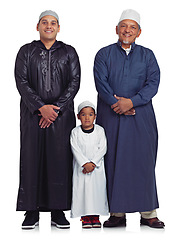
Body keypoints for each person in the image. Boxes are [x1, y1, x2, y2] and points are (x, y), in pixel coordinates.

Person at [93, 9, 164, 228]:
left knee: (143, 161)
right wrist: (118, 104)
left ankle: (148, 213)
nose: (127, 30)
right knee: (113, 160)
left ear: (139, 32)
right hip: (111, 116)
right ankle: (117, 212)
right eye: (124, 26)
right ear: (116, 29)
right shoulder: (104, 54)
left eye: (132, 27)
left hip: (140, 117)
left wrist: (131, 102)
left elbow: (153, 83)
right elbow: (101, 82)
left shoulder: (148, 55)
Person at [15, 10, 80, 229]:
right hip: (32, 115)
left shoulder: (69, 52)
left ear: (59, 28)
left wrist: (56, 109)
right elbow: (22, 82)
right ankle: (31, 211)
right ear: (38, 26)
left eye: (53, 23)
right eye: (45, 22)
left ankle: (57, 210)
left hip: (61, 119)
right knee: (31, 159)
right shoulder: (26, 51)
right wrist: (40, 108)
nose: (49, 26)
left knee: (59, 160)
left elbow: (74, 82)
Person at [70, 101, 109, 228]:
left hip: (96, 168)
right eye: (83, 115)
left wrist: (92, 163)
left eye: (90, 114)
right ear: (78, 116)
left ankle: (95, 216)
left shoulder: (100, 131)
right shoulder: (75, 132)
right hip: (82, 169)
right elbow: (75, 148)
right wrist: (84, 163)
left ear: (95, 116)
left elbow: (102, 148)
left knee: (96, 192)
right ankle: (85, 217)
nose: (87, 118)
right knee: (82, 192)